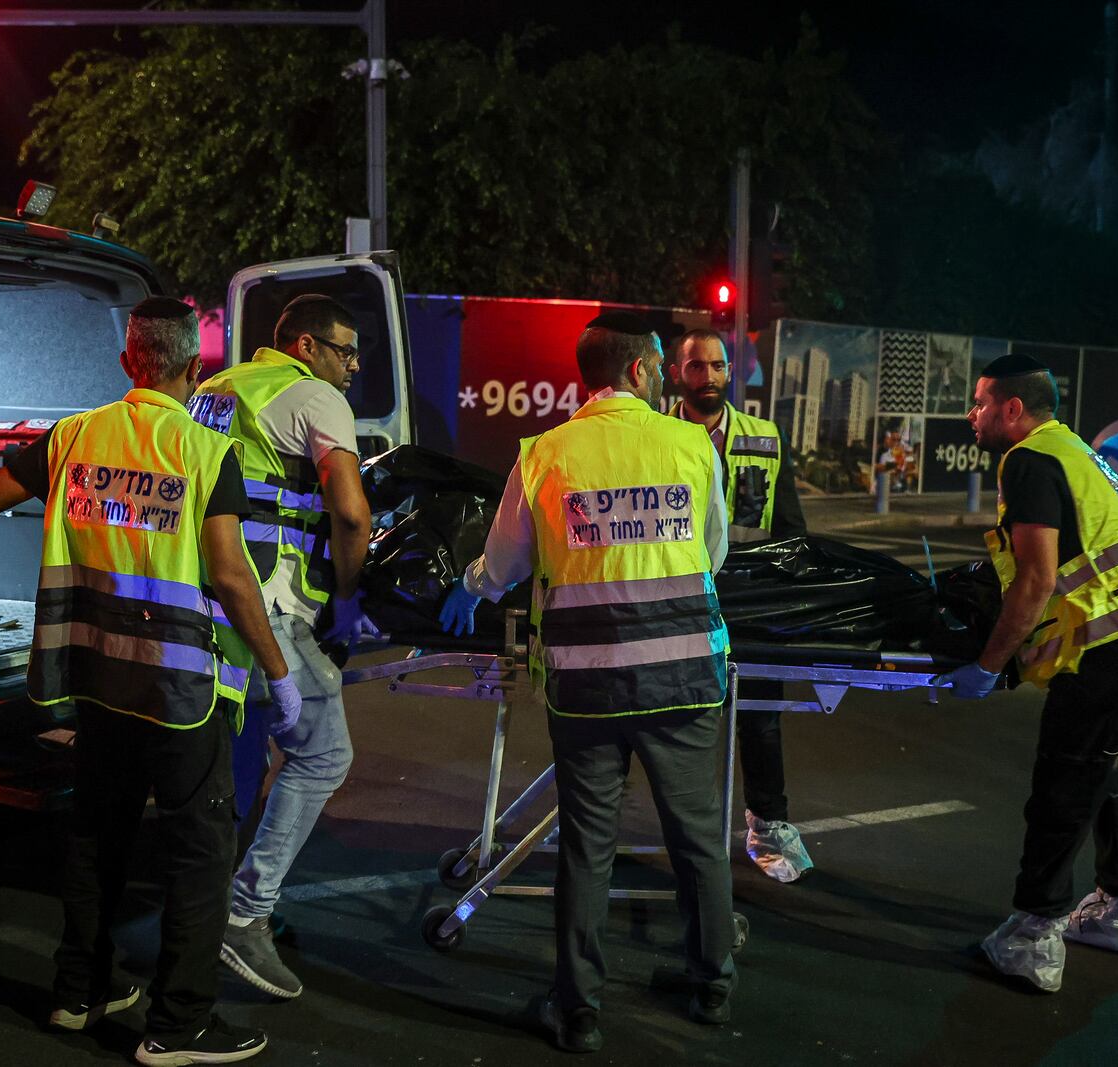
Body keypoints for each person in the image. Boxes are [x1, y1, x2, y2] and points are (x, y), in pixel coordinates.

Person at [0, 297, 292, 1065]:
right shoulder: (204, 450)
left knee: (99, 832)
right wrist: (279, 672)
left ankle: (79, 991)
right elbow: (232, 576)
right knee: (200, 853)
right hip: (177, 691)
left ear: (129, 361)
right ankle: (179, 1025)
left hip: (94, 677)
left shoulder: (72, 437)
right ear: (191, 368)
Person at [439, 311, 742, 1052]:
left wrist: (470, 586)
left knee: (587, 845)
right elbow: (715, 551)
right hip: (684, 678)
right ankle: (711, 983)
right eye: (664, 365)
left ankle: (577, 1009)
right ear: (640, 371)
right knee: (698, 838)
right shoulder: (692, 443)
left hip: (587, 683)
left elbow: (506, 562)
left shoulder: (546, 452)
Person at [935, 353, 1118, 994]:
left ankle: (1034, 939)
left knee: (1065, 784)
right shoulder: (1072, 449)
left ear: (1013, 409)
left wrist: (987, 664)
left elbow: (1036, 580)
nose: (971, 414)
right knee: (1114, 776)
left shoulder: (1030, 460)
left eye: (979, 402)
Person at [187, 293, 376, 1001]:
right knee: (323, 752)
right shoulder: (314, 399)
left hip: (203, 602)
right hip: (272, 607)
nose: (352, 364)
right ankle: (246, 912)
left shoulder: (216, 390)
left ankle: (212, 909)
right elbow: (350, 512)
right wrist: (351, 597)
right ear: (304, 345)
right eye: (344, 349)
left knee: (235, 771)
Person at [666, 328, 813, 883]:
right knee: (680, 723)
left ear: (731, 372)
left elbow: (791, 529)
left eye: (718, 366)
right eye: (697, 366)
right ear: (678, 374)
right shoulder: (656, 437)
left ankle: (769, 827)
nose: (709, 377)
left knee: (760, 722)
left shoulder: (766, 436)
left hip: (752, 604)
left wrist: (785, 598)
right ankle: (690, 835)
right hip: (680, 601)